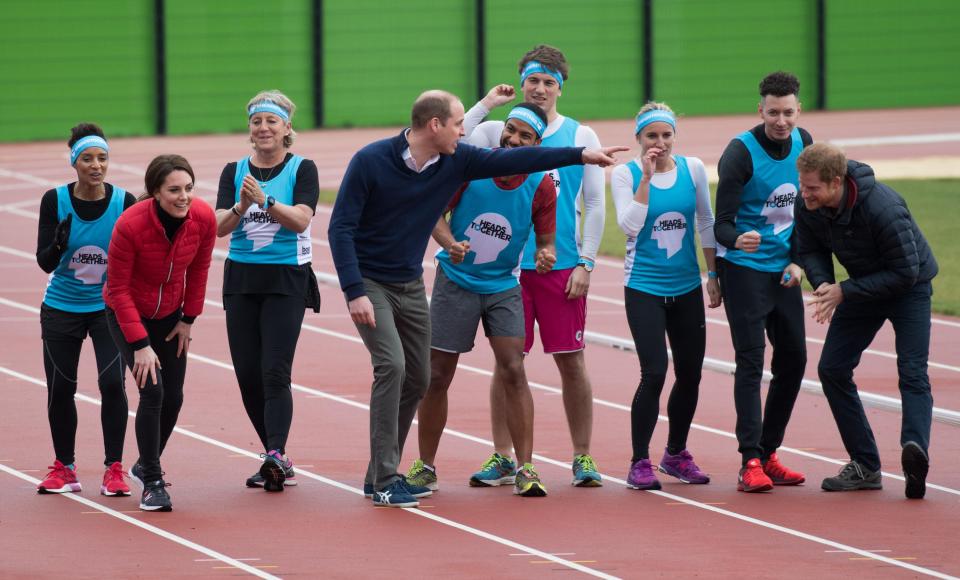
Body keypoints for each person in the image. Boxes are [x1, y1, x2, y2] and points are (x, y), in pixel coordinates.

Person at [328, 89, 625, 508]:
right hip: (387, 283)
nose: (466, 131)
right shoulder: (377, 160)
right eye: (457, 125)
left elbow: (522, 162)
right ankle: (388, 476)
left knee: (422, 377)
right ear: (436, 126)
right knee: (398, 368)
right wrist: (354, 290)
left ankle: (387, 472)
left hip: (426, 283)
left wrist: (582, 156)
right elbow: (340, 227)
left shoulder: (457, 162)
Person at [463, 45, 606, 488]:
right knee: (508, 363)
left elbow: (596, 203)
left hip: (561, 267)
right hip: (506, 269)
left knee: (571, 360)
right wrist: (489, 101)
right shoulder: (498, 130)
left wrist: (585, 262)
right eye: (532, 81)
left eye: (548, 82)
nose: (540, 89)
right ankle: (502, 455)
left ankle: (582, 455)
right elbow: (460, 136)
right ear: (521, 83)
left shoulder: (582, 135)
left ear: (561, 87)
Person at [405, 103, 557, 498]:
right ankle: (426, 467)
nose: (515, 139)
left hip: (503, 287)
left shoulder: (541, 185)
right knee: (438, 375)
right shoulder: (471, 169)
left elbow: (545, 242)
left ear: (538, 143)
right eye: (511, 130)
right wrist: (450, 243)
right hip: (456, 281)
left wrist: (546, 255)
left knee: (514, 368)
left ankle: (525, 468)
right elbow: (433, 213)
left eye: (526, 135)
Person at [794, 143, 938, 499]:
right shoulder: (808, 203)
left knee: (912, 371)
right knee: (832, 369)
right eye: (802, 184)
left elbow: (906, 272)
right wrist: (825, 283)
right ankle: (865, 465)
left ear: (836, 182)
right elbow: (808, 248)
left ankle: (914, 449)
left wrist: (845, 292)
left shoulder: (883, 208)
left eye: (811, 187)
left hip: (909, 288)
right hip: (859, 288)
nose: (803, 192)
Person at [610, 103, 721, 490]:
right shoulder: (625, 175)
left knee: (690, 373)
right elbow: (628, 227)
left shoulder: (692, 169)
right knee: (654, 372)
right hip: (644, 287)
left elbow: (705, 221)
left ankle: (676, 454)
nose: (660, 143)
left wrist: (713, 273)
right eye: (651, 136)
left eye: (666, 135)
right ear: (639, 139)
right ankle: (639, 461)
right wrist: (646, 178)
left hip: (687, 286)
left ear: (675, 136)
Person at [215, 90, 320, 492]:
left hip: (285, 280)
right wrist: (242, 206)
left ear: (287, 128)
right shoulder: (234, 170)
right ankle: (276, 456)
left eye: (271, 121)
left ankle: (274, 454)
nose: (263, 129)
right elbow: (220, 228)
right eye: (257, 122)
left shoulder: (302, 170)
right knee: (247, 376)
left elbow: (300, 220)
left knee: (274, 371)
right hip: (242, 281)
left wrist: (267, 199)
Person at [714, 71, 810, 492]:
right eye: (773, 112)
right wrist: (739, 238)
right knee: (751, 362)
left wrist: (800, 261)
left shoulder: (805, 143)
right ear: (761, 109)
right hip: (745, 271)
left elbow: (807, 212)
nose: (781, 121)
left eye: (788, 112)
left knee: (795, 360)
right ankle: (749, 459)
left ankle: (770, 451)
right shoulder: (740, 153)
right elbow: (721, 226)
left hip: (784, 273)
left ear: (798, 109)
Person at [104, 154, 216, 511]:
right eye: (174, 190)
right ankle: (152, 479)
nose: (183, 197)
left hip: (170, 316)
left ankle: (143, 463)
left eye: (188, 188)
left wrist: (189, 319)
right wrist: (139, 345)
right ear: (155, 192)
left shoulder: (203, 218)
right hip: (127, 313)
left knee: (175, 397)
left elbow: (200, 269)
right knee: (152, 391)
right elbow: (118, 289)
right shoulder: (130, 224)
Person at [35, 123, 136, 496]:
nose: (96, 166)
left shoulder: (124, 202)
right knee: (61, 387)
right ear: (74, 163)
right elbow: (45, 263)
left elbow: (137, 256)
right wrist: (58, 246)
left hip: (108, 308)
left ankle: (114, 469)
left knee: (112, 384)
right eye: (87, 159)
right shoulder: (54, 201)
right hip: (61, 307)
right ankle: (65, 468)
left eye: (102, 158)